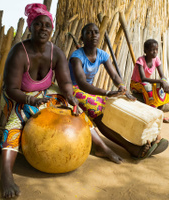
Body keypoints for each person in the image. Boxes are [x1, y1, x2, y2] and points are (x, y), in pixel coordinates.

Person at [0, 4, 125, 199]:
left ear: (52, 29)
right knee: (15, 124)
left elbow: (65, 82)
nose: (43, 29)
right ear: (30, 27)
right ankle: (6, 174)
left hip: (47, 91)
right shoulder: (19, 52)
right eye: (38, 24)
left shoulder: (55, 52)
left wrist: (71, 98)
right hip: (20, 93)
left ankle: (102, 147)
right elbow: (11, 89)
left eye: (47, 25)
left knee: (76, 110)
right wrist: (30, 99)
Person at [69, 23, 168, 166]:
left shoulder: (102, 54)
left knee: (120, 103)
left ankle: (147, 138)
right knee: (99, 115)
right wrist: (108, 92)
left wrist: (122, 88)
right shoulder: (76, 57)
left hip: (90, 89)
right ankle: (130, 147)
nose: (93, 35)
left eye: (96, 32)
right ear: (82, 37)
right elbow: (82, 83)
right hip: (74, 89)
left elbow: (115, 76)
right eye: (89, 33)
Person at [130, 39, 169, 122]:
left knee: (162, 83)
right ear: (145, 51)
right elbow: (143, 78)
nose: (155, 52)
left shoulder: (156, 59)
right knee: (147, 86)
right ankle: (151, 112)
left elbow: (163, 76)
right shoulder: (140, 60)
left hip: (146, 83)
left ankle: (159, 113)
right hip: (136, 84)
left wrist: (163, 81)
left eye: (156, 49)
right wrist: (160, 81)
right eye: (152, 50)